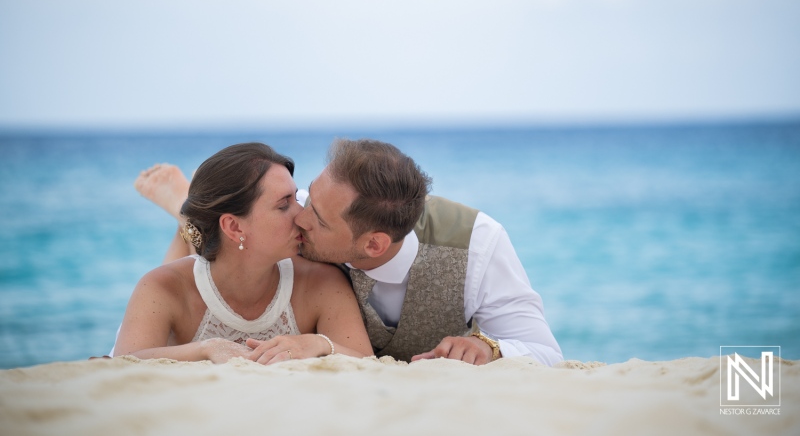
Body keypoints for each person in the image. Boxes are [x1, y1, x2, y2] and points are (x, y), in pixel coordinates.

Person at [142, 139, 562, 366]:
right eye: (306, 196)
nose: (300, 217)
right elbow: (221, 261)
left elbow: (546, 353)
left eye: (317, 218)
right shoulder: (308, 213)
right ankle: (187, 208)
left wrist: (492, 348)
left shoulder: (479, 244)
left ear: (373, 244)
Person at [113, 142, 373, 364]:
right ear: (234, 226)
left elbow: (368, 363)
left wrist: (320, 344)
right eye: (284, 205)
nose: (302, 216)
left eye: (297, 198)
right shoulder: (161, 286)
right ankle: (186, 217)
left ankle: (186, 217)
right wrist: (206, 348)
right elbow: (124, 361)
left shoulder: (322, 283)